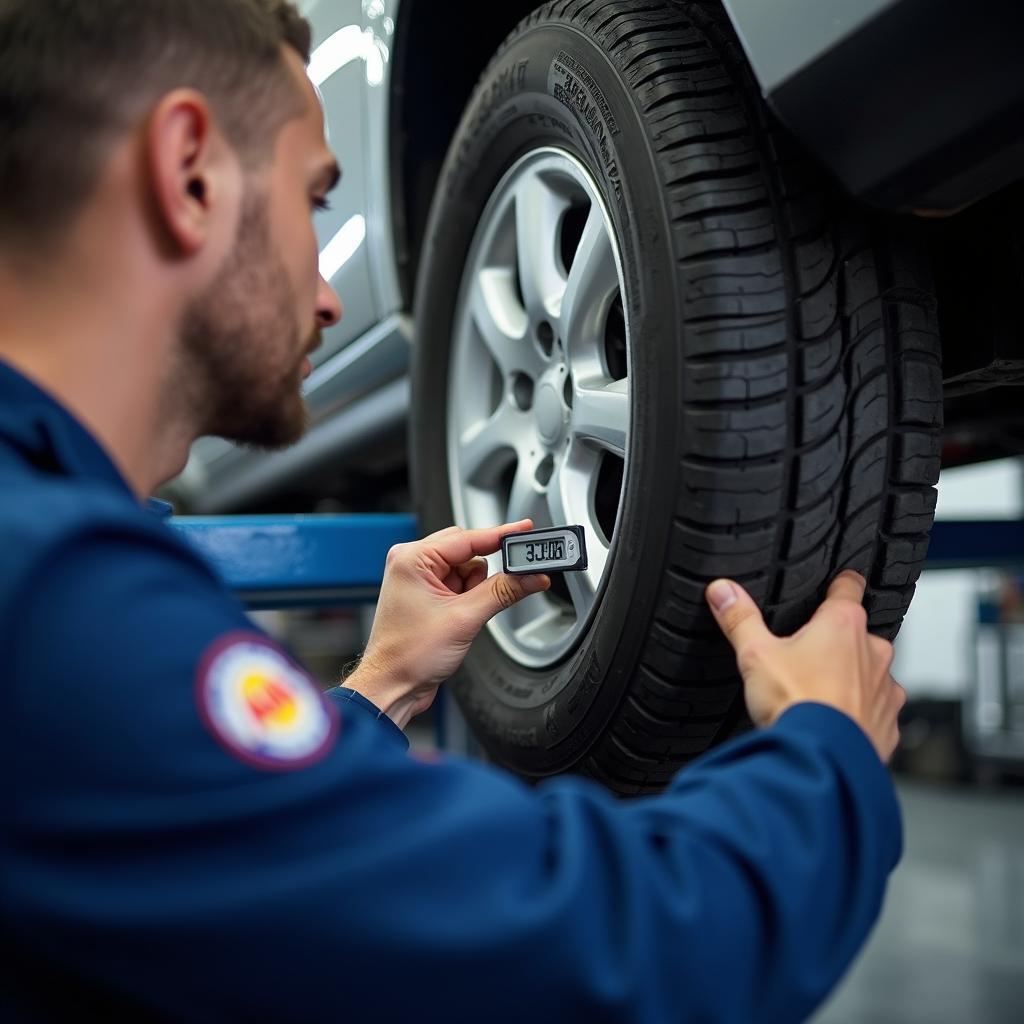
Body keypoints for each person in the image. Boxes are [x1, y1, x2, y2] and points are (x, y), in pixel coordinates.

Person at [0, 2, 906, 1021]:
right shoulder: (54, 601)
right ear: (190, 172)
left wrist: (380, 685)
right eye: (316, 203)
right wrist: (824, 754)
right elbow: (592, 955)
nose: (329, 296)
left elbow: (200, 831)